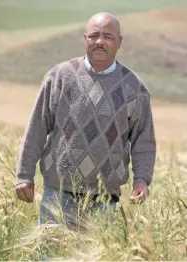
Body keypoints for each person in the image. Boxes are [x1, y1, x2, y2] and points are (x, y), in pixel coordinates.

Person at [16, 12, 156, 226]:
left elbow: (143, 141)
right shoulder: (60, 77)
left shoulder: (135, 88)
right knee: (50, 258)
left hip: (106, 200)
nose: (100, 42)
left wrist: (142, 180)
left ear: (119, 42)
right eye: (94, 36)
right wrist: (24, 175)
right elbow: (36, 127)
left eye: (108, 36)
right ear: (85, 39)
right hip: (58, 194)